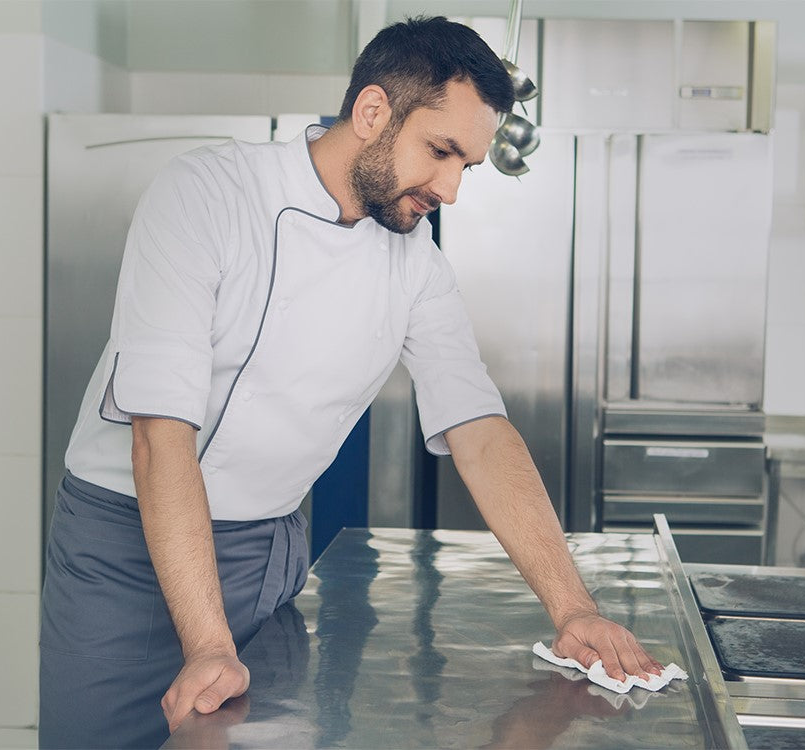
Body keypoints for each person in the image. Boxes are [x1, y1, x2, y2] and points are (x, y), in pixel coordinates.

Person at [39, 16, 661, 749]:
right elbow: (159, 437)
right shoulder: (207, 196)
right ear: (372, 112)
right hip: (127, 554)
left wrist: (573, 609)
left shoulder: (414, 261)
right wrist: (208, 643)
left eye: (469, 165)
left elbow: (480, 431)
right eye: (441, 152)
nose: (453, 189)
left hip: (267, 551)